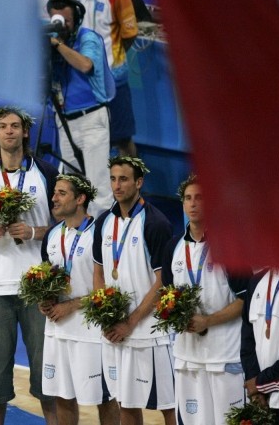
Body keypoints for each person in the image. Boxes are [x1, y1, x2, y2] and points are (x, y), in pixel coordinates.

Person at [0, 106, 59, 425]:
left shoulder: (45, 173)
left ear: (25, 131)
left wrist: (32, 232)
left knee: (47, 374)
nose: (9, 131)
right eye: (3, 126)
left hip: (37, 287)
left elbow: (64, 229)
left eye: (15, 126)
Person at [92, 156, 175, 425]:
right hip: (116, 330)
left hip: (150, 333)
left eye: (124, 179)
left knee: (169, 405)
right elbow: (99, 272)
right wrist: (106, 315)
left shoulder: (155, 223)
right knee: (125, 401)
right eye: (114, 179)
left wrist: (130, 322)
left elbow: (163, 282)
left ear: (139, 182)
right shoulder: (104, 221)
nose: (117, 185)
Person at [161, 174, 247, 425]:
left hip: (225, 359)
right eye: (188, 198)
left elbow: (245, 301)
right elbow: (166, 296)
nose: (193, 203)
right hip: (187, 358)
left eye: (199, 198)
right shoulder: (173, 247)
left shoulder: (230, 247)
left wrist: (207, 320)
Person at [39, 173, 119, 425]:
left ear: (81, 198)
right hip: (57, 331)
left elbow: (109, 287)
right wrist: (45, 299)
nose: (54, 198)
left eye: (62, 193)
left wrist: (71, 306)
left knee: (104, 398)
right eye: (54, 193)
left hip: (90, 332)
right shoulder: (52, 235)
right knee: (63, 395)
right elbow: (48, 278)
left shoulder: (99, 235)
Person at [47, 0, 115, 215]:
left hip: (91, 118)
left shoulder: (88, 38)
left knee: (98, 185)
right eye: (57, 20)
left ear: (76, 20)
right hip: (64, 120)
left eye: (66, 21)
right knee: (72, 183)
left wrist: (57, 45)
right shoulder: (50, 39)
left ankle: (99, 238)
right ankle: (75, 231)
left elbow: (85, 65)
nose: (62, 25)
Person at [60, 0, 139, 157]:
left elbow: (130, 34)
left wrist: (108, 61)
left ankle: (133, 183)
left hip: (113, 81)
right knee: (80, 140)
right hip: (78, 81)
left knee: (122, 139)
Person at [241, 268, 279, 424]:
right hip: (262, 400)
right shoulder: (255, 282)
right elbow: (247, 339)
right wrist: (255, 385)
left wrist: (262, 383)